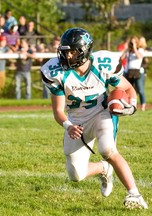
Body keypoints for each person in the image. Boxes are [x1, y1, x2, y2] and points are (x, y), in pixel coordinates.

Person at [40, 27, 148, 209]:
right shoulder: (55, 72)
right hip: (76, 122)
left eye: (72, 52)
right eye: (65, 52)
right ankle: (104, 169)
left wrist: (132, 106)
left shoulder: (102, 64)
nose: (66, 56)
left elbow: (128, 89)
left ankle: (134, 194)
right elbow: (58, 111)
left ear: (84, 51)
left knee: (107, 149)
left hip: (101, 113)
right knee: (76, 175)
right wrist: (68, 126)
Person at [120, 36, 145, 111]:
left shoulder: (140, 50)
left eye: (134, 42)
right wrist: (127, 49)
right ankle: (129, 105)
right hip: (129, 72)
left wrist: (134, 48)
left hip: (138, 72)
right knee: (129, 89)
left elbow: (139, 57)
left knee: (140, 90)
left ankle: (143, 106)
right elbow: (121, 58)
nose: (132, 44)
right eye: (131, 42)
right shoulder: (128, 51)